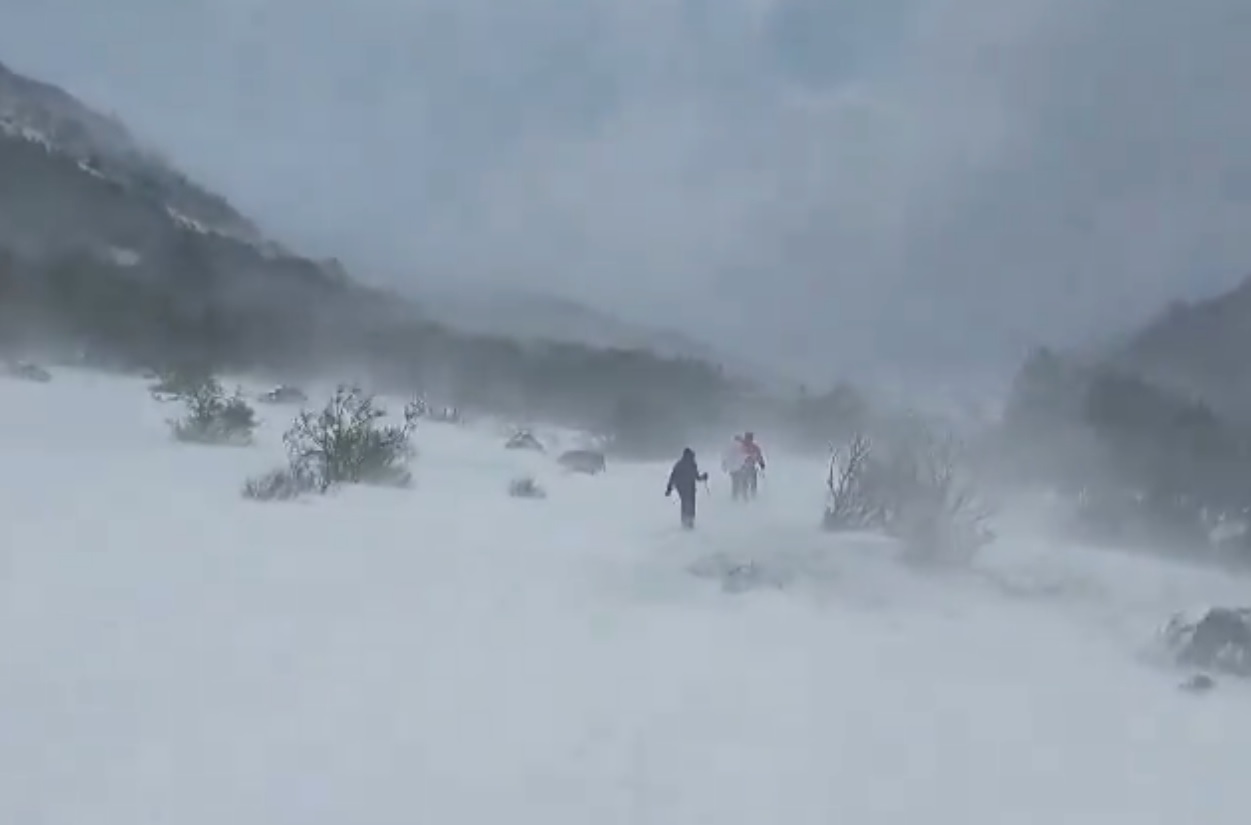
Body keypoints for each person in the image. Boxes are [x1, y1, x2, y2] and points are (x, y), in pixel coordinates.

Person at [666, 447, 708, 529]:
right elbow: (697, 477)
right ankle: (690, 522)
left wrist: (669, 488)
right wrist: (703, 477)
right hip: (689, 487)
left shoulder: (679, 464)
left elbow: (673, 476)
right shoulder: (692, 464)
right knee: (690, 504)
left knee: (685, 503)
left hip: (681, 487)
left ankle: (685, 522)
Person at [724, 431, 766, 501]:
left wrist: (761, 464)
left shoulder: (754, 447)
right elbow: (732, 455)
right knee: (742, 486)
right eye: (748, 438)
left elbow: (759, 456)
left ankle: (752, 499)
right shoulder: (741, 446)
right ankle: (741, 500)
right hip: (741, 469)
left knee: (752, 485)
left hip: (750, 469)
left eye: (750, 438)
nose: (749, 440)